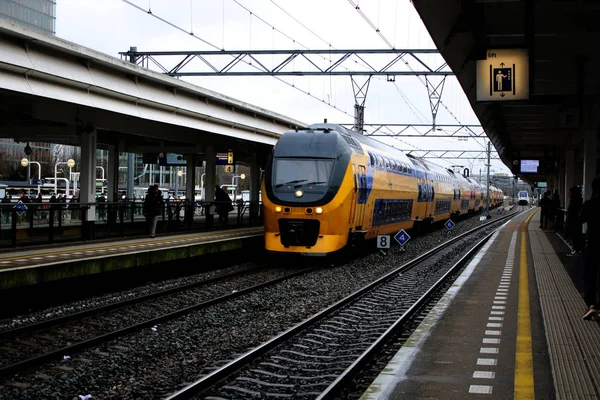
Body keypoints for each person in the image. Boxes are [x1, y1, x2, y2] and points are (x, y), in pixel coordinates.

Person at [580, 177, 600, 320]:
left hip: (593, 244)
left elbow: (580, 220)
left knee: (590, 275)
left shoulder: (589, 204)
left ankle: (591, 305)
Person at [566, 186, 583, 256]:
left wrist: (568, 219)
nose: (568, 193)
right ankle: (576, 250)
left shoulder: (575, 201)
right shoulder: (577, 200)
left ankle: (576, 250)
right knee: (575, 235)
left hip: (574, 222)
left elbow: (572, 212)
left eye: (570, 192)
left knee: (575, 235)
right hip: (574, 221)